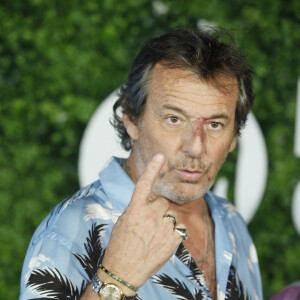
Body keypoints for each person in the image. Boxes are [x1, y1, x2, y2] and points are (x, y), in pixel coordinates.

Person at [20, 27, 263, 300]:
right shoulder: (69, 230)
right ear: (131, 119)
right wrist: (117, 276)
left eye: (215, 124)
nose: (196, 146)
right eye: (174, 119)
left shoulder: (231, 221)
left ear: (234, 137)